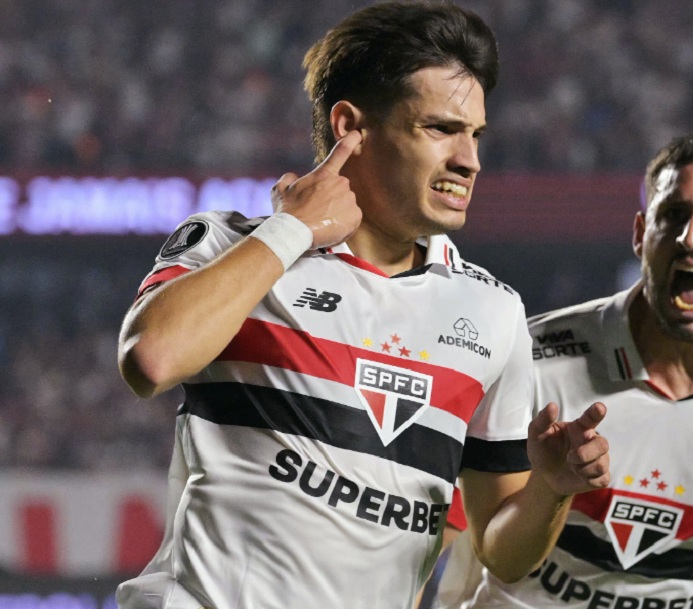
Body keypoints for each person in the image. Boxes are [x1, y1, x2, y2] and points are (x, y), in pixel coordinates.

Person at [115, 2, 610, 608]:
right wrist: (291, 231)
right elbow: (151, 360)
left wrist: (551, 492)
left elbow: (502, 552)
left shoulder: (493, 311)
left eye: (475, 134)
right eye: (440, 129)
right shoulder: (234, 247)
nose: (469, 159)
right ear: (351, 126)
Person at [434, 130, 693, 609]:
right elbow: (468, 546)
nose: (692, 237)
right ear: (640, 233)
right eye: (674, 214)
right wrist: (550, 490)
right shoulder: (530, 358)